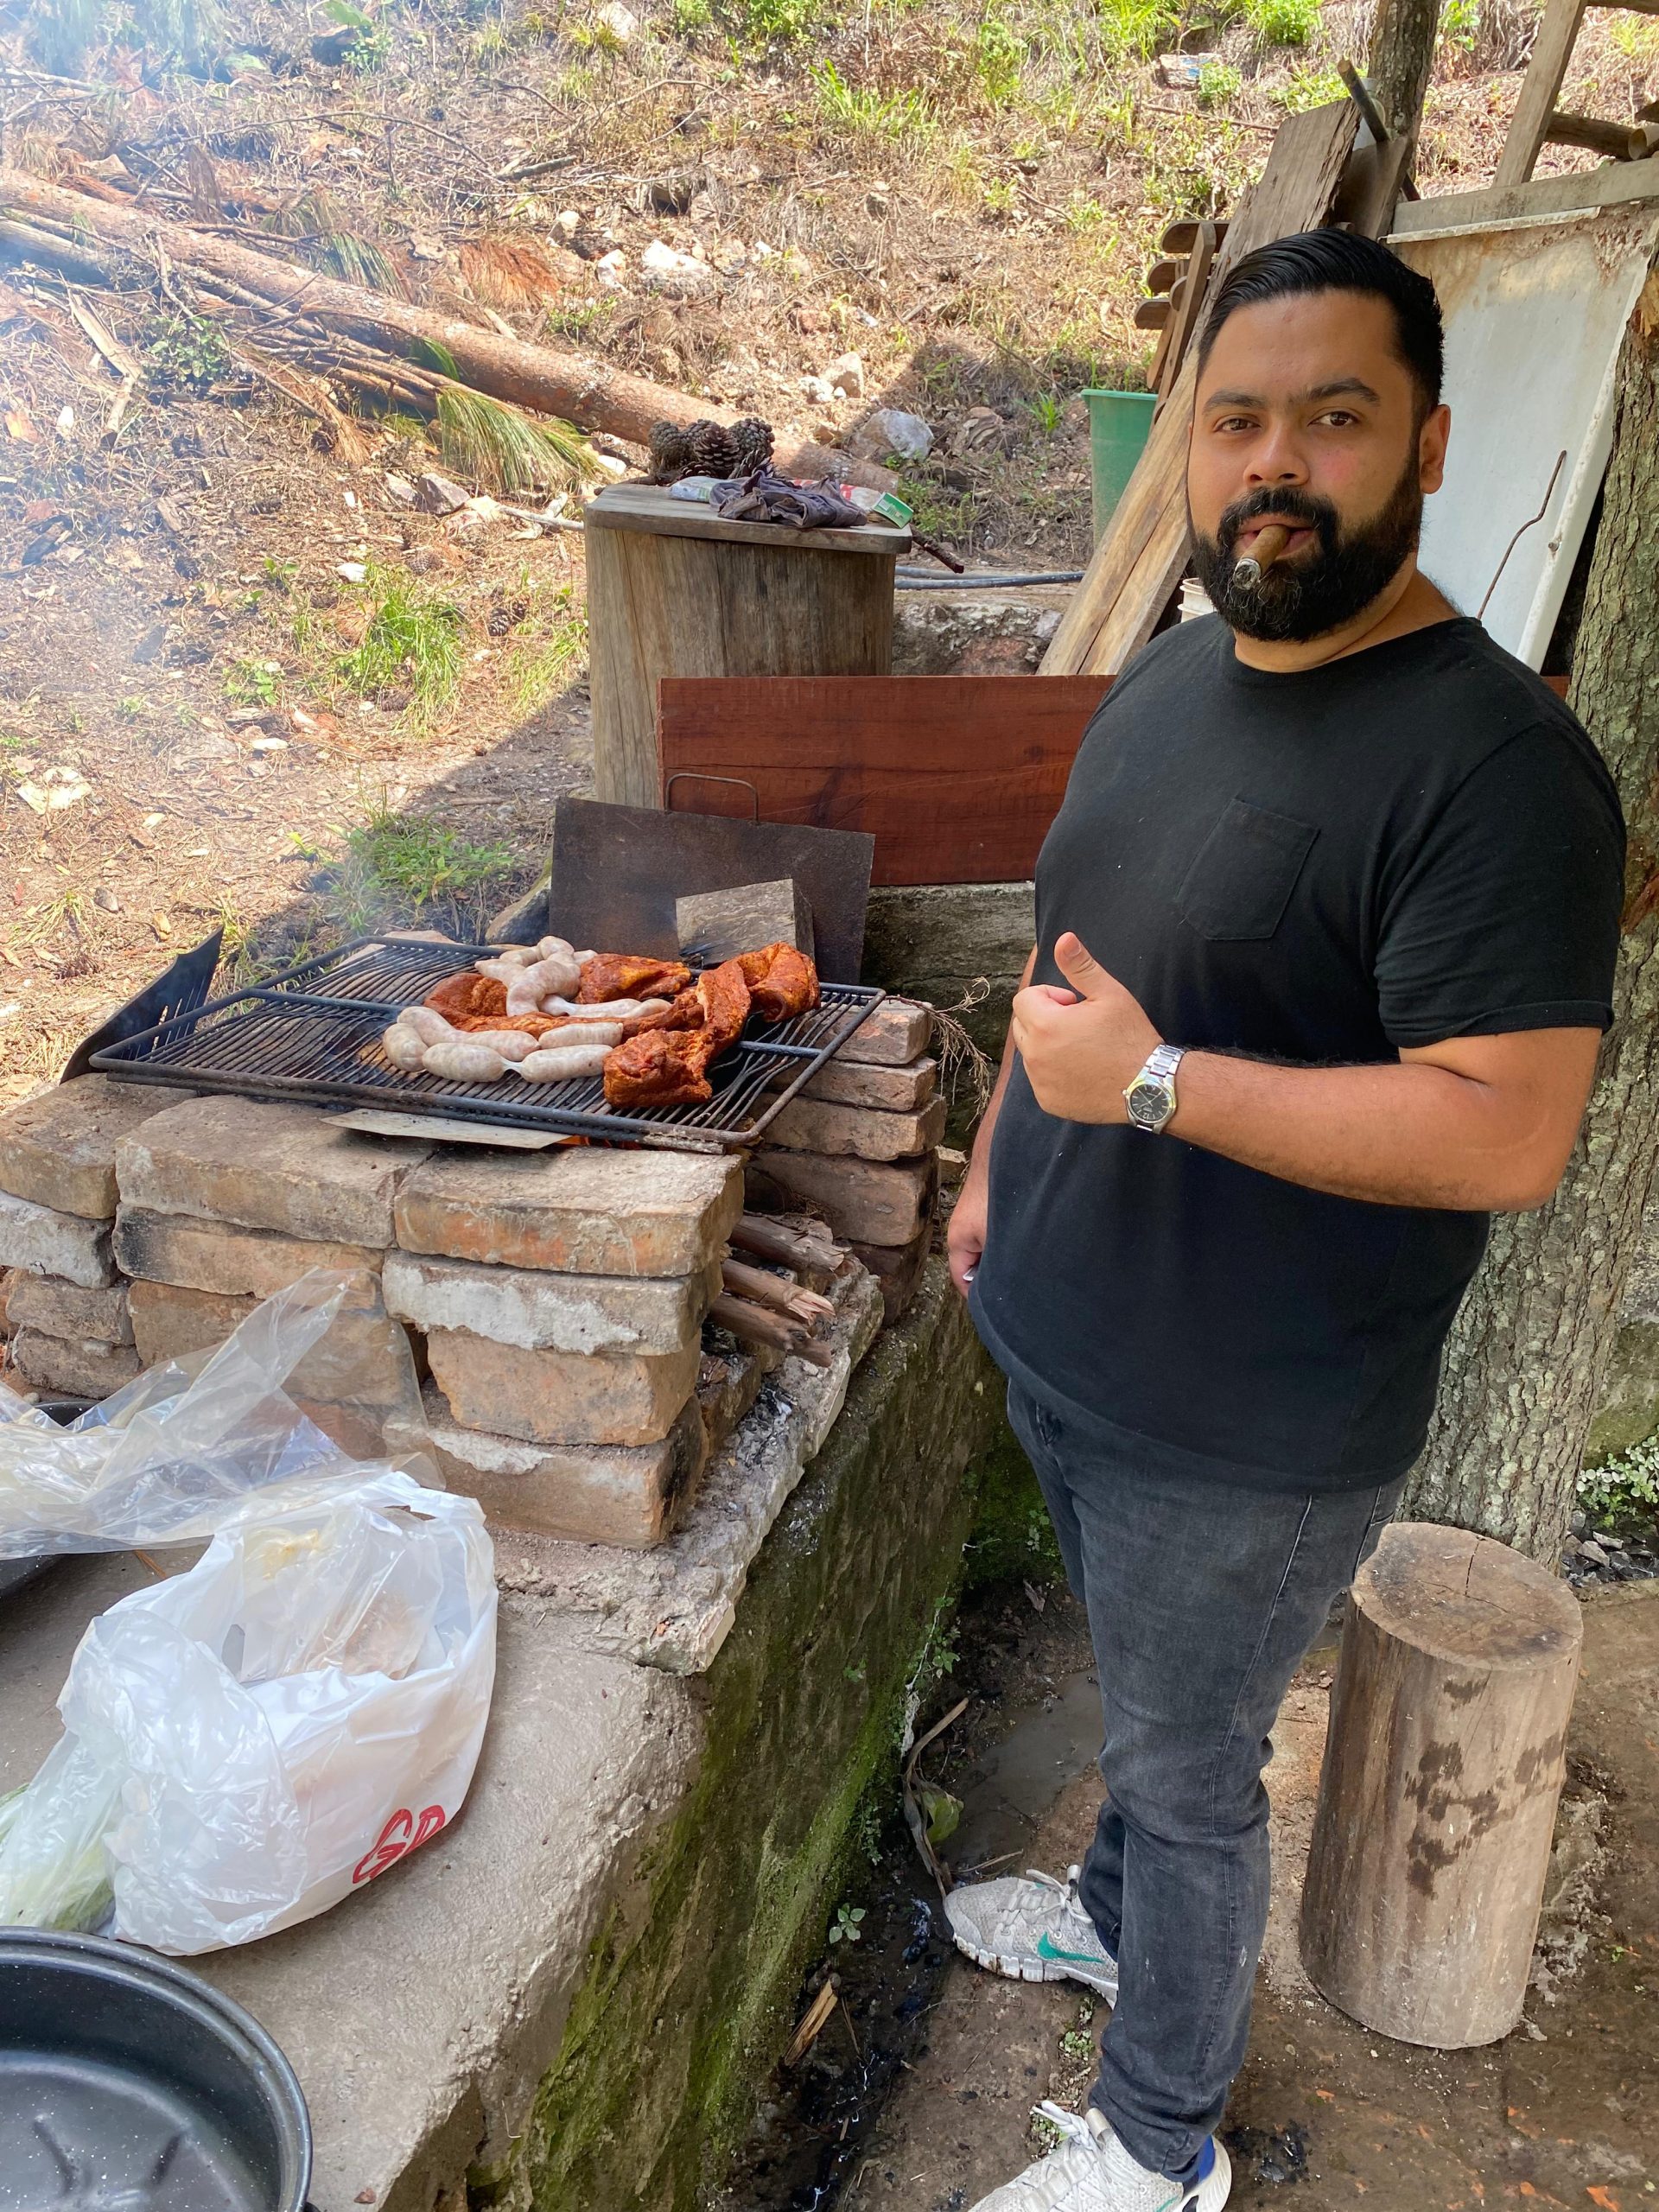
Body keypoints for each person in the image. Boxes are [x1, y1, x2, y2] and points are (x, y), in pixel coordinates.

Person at [943, 228, 1625, 2212]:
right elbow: (1068, 971)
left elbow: (1508, 1131)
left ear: (1427, 444)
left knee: (1189, 1771)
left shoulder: (1499, 772)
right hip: (1065, 1336)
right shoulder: (1174, 671)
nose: (1276, 464)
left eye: (1333, 418)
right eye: (1236, 419)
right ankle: (1108, 1924)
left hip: (1241, 1429)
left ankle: (1159, 2142)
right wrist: (994, 1170)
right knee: (1154, 1707)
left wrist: (1156, 1084)